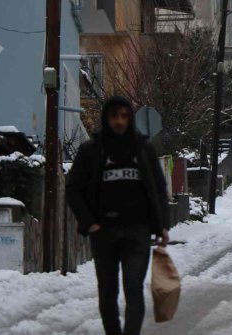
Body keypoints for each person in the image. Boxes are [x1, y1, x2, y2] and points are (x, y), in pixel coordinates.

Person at [67, 96, 169, 335]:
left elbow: (158, 187)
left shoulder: (143, 150)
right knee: (108, 292)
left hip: (138, 231)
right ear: (106, 118)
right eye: (114, 116)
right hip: (103, 233)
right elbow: (73, 188)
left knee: (133, 287)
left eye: (124, 116)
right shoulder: (91, 151)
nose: (119, 121)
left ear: (130, 118)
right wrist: (89, 223)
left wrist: (162, 225)